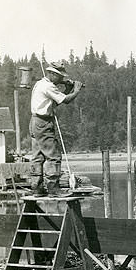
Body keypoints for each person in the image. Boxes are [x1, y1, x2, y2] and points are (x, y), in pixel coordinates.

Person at [29, 61, 83, 197]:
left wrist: (68, 89)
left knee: (38, 156)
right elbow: (66, 100)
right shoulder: (48, 86)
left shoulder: (40, 84)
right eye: (60, 77)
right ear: (52, 74)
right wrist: (76, 90)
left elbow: (54, 102)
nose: (61, 80)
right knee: (54, 156)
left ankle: (37, 188)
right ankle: (53, 189)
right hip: (43, 123)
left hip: (35, 122)